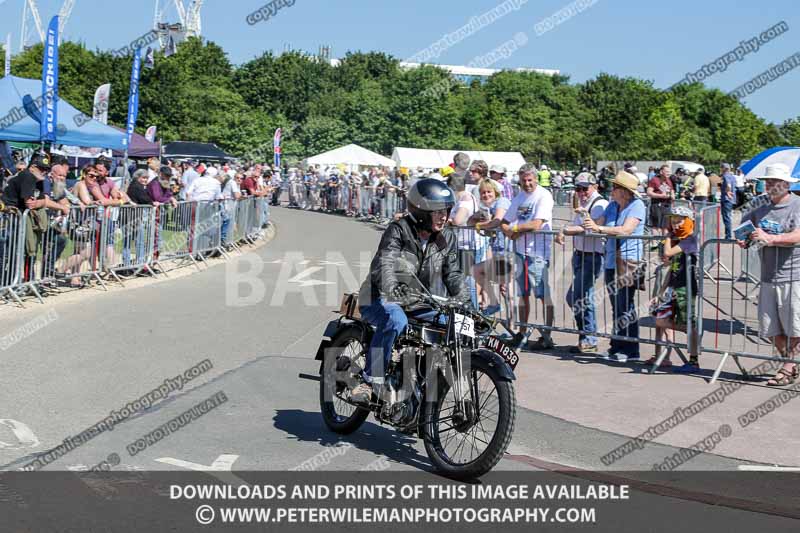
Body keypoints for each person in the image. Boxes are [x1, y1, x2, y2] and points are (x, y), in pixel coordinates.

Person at [352, 178, 468, 404]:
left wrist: (465, 300)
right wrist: (393, 289)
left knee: (453, 326)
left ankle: (419, 388)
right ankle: (370, 379)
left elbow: (452, 274)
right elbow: (383, 265)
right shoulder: (399, 230)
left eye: (446, 210)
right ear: (422, 211)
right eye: (437, 211)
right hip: (379, 297)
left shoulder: (447, 238)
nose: (443, 216)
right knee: (395, 320)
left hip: (417, 302)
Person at [739, 164, 800, 386]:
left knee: (794, 327)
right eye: (768, 181)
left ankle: (788, 367)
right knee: (769, 328)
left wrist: (772, 238)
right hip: (767, 275)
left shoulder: (797, 204)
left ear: (787, 184)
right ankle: (791, 362)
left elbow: (798, 235)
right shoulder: (760, 204)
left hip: (793, 275)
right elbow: (746, 226)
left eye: (775, 181)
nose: (770, 185)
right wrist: (743, 237)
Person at [583, 171, 647, 362]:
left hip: (629, 262)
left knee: (625, 306)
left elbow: (626, 230)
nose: (611, 190)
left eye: (615, 187)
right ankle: (616, 345)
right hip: (612, 260)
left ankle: (630, 350)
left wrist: (599, 229)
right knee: (616, 307)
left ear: (624, 191)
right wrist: (585, 217)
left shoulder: (637, 205)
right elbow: (597, 224)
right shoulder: (612, 206)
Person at [500, 164, 555, 350]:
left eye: (530, 180)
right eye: (524, 180)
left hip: (538, 253)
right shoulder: (520, 196)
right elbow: (505, 222)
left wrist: (514, 230)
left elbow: (536, 224)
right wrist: (511, 231)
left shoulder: (544, 195)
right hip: (519, 252)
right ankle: (522, 332)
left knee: (543, 295)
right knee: (522, 295)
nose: (527, 183)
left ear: (536, 179)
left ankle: (547, 334)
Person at [558, 172, 609, 353]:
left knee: (575, 296)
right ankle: (587, 337)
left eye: (584, 188)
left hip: (593, 256)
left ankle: (589, 336)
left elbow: (590, 228)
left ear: (594, 186)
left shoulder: (599, 204)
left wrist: (565, 230)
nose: (581, 192)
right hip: (580, 254)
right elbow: (577, 224)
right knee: (583, 297)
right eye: (578, 189)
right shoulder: (584, 203)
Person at [649, 203, 700, 371]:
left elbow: (668, 253)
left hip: (686, 288)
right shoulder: (677, 238)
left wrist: (668, 236)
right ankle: (665, 353)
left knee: (688, 323)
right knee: (659, 319)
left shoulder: (690, 239)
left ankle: (693, 360)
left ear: (688, 221)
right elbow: (671, 267)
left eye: (679, 221)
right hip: (673, 287)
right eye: (673, 221)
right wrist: (661, 292)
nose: (676, 225)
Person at [471, 178, 512, 315]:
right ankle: (494, 304)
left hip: (508, 250)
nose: (486, 195)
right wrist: (479, 219)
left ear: (495, 192)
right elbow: (469, 220)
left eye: (489, 192)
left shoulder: (502, 202)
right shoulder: (487, 208)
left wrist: (480, 225)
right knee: (478, 271)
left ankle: (514, 326)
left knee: (507, 289)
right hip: (497, 250)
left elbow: (497, 221)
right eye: (483, 193)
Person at [647, 165, 675, 235]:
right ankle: (655, 244)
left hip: (667, 205)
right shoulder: (654, 179)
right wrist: (660, 196)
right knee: (656, 226)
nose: (669, 173)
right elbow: (649, 192)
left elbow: (671, 190)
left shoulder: (669, 180)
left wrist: (672, 195)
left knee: (666, 226)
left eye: (669, 172)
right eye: (667, 172)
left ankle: (664, 244)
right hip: (657, 205)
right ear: (661, 172)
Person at [720, 163, 737, 239]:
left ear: (723, 168)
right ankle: (728, 235)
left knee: (726, 218)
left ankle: (728, 236)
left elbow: (728, 185)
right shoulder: (732, 176)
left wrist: (728, 191)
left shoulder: (725, 176)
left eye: (721, 168)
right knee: (728, 217)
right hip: (731, 200)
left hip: (726, 199)